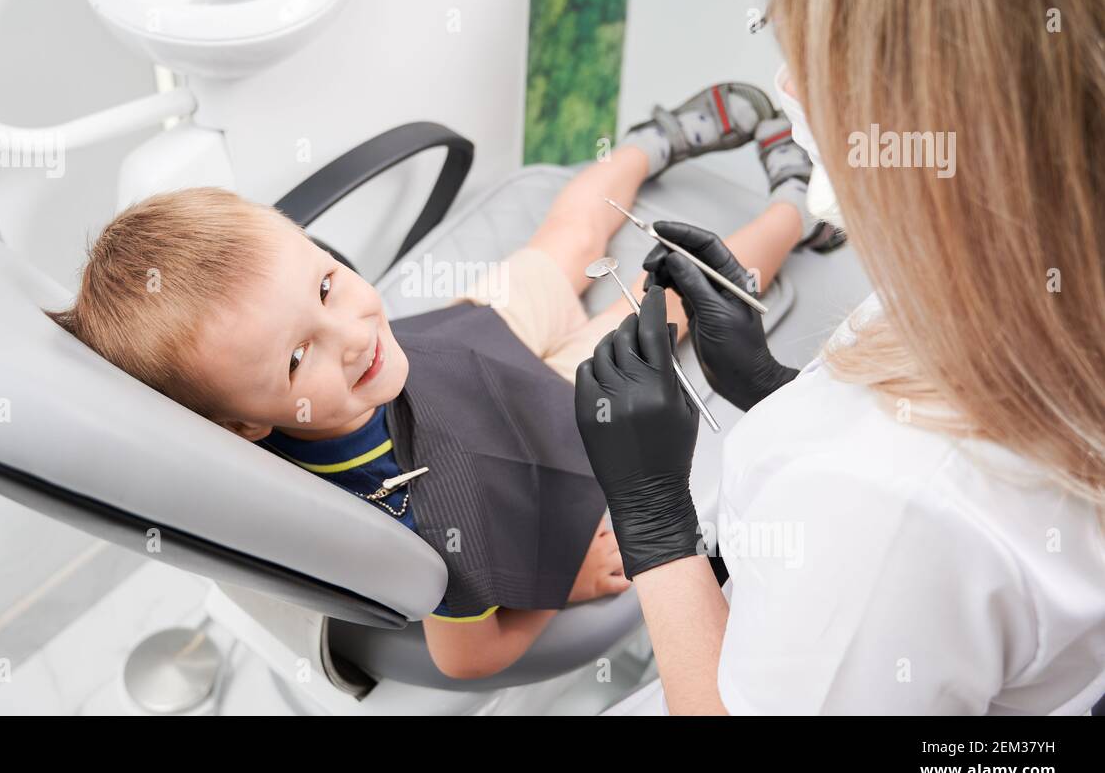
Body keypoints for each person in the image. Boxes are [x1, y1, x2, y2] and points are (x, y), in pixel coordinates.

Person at [47, 82, 826, 679]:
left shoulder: (365, 358)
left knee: (567, 235)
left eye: (325, 285)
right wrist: (572, 584)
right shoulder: (409, 518)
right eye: (296, 359)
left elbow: (353, 338)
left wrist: (320, 341)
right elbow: (466, 657)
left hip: (468, 340)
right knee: (680, 299)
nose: (354, 337)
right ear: (248, 425)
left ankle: (650, 144)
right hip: (560, 405)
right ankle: (799, 205)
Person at [575, 0, 1105, 714]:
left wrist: (655, 522)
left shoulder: (889, 511)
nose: (785, 84)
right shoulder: (1039, 276)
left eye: (827, 62)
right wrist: (767, 387)